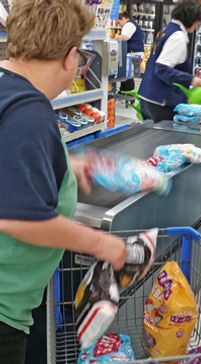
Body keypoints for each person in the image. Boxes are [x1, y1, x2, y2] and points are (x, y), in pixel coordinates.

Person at [0, 1, 129, 363]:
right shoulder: (29, 113)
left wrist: (62, 167)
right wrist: (101, 244)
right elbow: (18, 218)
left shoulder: (8, 91)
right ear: (71, 57)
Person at [138, 0, 201, 123]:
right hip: (160, 102)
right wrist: (191, 79)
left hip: (147, 97)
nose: (200, 24)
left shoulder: (167, 29)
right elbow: (161, 69)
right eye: (200, 20)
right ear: (193, 18)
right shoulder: (178, 37)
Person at [116, 11, 144, 93]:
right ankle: (125, 91)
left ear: (123, 19)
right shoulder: (132, 23)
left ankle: (128, 93)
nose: (119, 25)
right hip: (136, 52)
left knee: (127, 73)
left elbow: (125, 37)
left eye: (119, 22)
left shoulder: (129, 24)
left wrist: (115, 39)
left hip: (133, 53)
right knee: (129, 74)